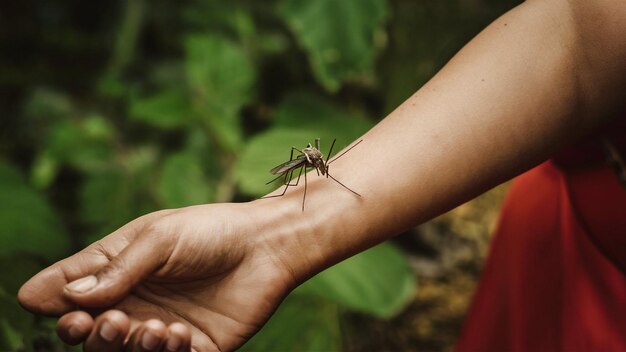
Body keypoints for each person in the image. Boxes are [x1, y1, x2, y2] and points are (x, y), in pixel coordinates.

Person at [18, 0, 626, 350]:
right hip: (571, 245)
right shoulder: (312, 164)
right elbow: (579, 32)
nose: (319, 164)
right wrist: (273, 232)